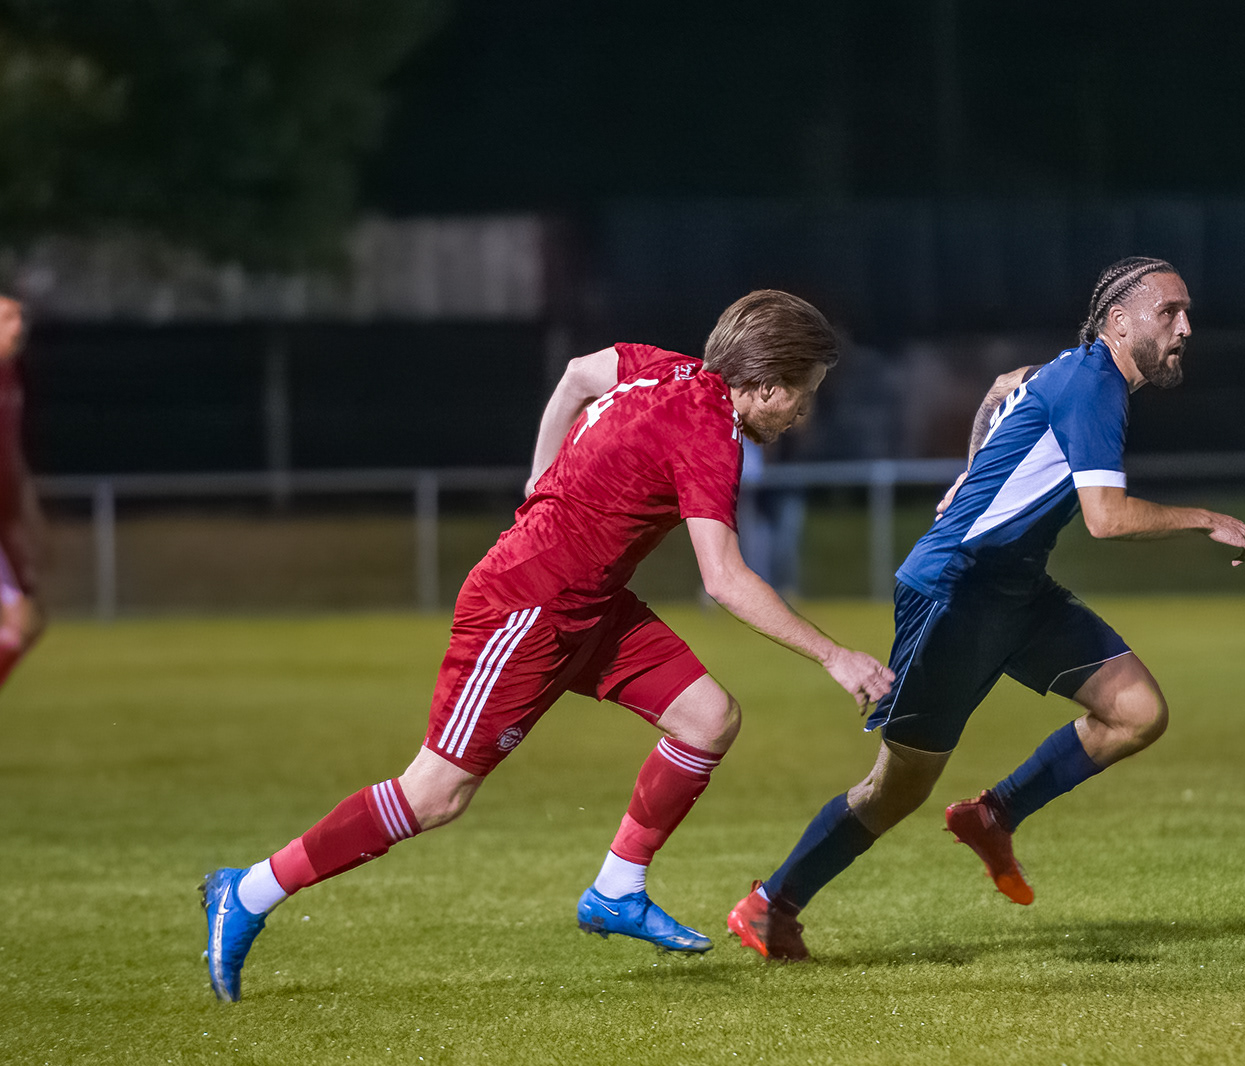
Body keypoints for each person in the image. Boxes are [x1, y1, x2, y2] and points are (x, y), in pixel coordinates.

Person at [200, 290, 895, 1001]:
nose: (803, 414)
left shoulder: (662, 368)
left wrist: (538, 478)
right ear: (768, 385)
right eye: (804, 395)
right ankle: (248, 890)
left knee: (707, 717)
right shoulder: (708, 433)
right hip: (524, 607)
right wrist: (834, 655)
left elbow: (577, 375)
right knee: (435, 794)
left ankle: (617, 888)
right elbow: (723, 579)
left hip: (590, 605)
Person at [727, 257, 1245, 961]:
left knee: (1137, 712)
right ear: (1119, 322)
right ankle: (771, 904)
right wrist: (1204, 518)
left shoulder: (1074, 372)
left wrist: (975, 471)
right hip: (956, 590)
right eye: (1169, 312)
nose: (1185, 327)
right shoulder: (1094, 382)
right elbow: (1105, 518)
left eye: (1186, 313)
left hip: (1016, 586)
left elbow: (1002, 386)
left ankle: (993, 814)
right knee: (896, 789)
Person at [0, 293, 45, 692]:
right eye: (6, 318)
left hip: (5, 521)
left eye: (18, 317)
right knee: (19, 623)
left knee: (29, 625)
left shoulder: (11, 375)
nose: (17, 326)